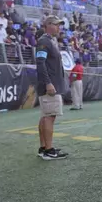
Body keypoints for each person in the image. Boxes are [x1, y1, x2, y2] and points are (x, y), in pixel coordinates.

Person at [35, 15, 68, 160]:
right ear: (48, 25)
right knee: (49, 116)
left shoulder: (48, 41)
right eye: (56, 24)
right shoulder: (44, 41)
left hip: (50, 84)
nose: (58, 27)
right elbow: (40, 63)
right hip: (49, 86)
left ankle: (44, 147)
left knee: (45, 116)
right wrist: (48, 83)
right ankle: (49, 150)